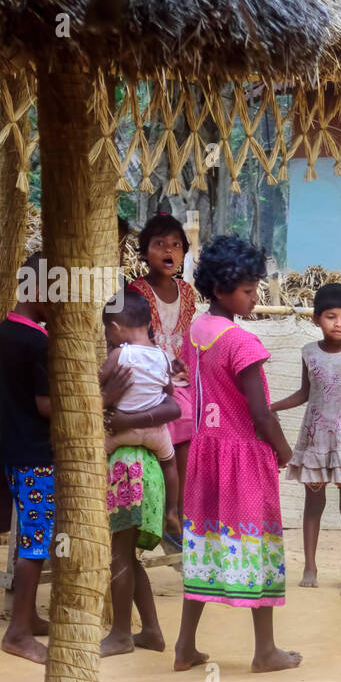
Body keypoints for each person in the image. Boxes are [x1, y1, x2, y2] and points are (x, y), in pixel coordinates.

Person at [175, 235, 300, 674]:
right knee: (258, 545)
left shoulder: (197, 332)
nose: (254, 296)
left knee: (204, 544)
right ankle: (265, 650)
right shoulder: (241, 343)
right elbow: (261, 415)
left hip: (206, 455)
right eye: (248, 290)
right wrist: (285, 453)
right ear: (223, 289)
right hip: (243, 458)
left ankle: (184, 646)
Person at [271, 282, 341, 597]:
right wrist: (272, 406)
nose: (339, 323)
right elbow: (305, 393)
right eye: (331, 316)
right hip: (316, 438)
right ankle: (310, 567)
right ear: (317, 319)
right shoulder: (309, 353)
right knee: (313, 504)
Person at [0, 252, 56, 664]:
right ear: (36, 290)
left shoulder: (6, 330)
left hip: (16, 451)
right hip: (37, 455)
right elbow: (46, 405)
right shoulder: (37, 341)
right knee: (36, 543)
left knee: (34, 536)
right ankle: (17, 632)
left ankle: (28, 616)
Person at [98, 359, 182, 657]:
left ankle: (121, 634)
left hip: (127, 475)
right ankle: (151, 631)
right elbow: (170, 466)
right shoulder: (155, 428)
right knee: (129, 556)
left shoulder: (116, 427)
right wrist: (171, 510)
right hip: (151, 482)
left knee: (119, 555)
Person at [126, 213, 198, 540]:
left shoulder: (187, 293)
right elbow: (136, 337)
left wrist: (184, 364)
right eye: (159, 244)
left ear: (183, 252)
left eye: (176, 244)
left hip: (182, 381)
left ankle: (178, 515)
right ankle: (163, 513)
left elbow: (188, 337)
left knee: (191, 437)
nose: (168, 250)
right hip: (150, 378)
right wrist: (164, 365)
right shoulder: (136, 291)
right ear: (143, 254)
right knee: (178, 420)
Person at [100, 288, 182, 543]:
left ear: (115, 328)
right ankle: (171, 511)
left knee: (96, 455)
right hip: (155, 432)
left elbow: (98, 381)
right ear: (148, 324)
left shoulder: (119, 354)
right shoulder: (162, 357)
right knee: (169, 463)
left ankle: (96, 507)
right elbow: (168, 389)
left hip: (120, 429)